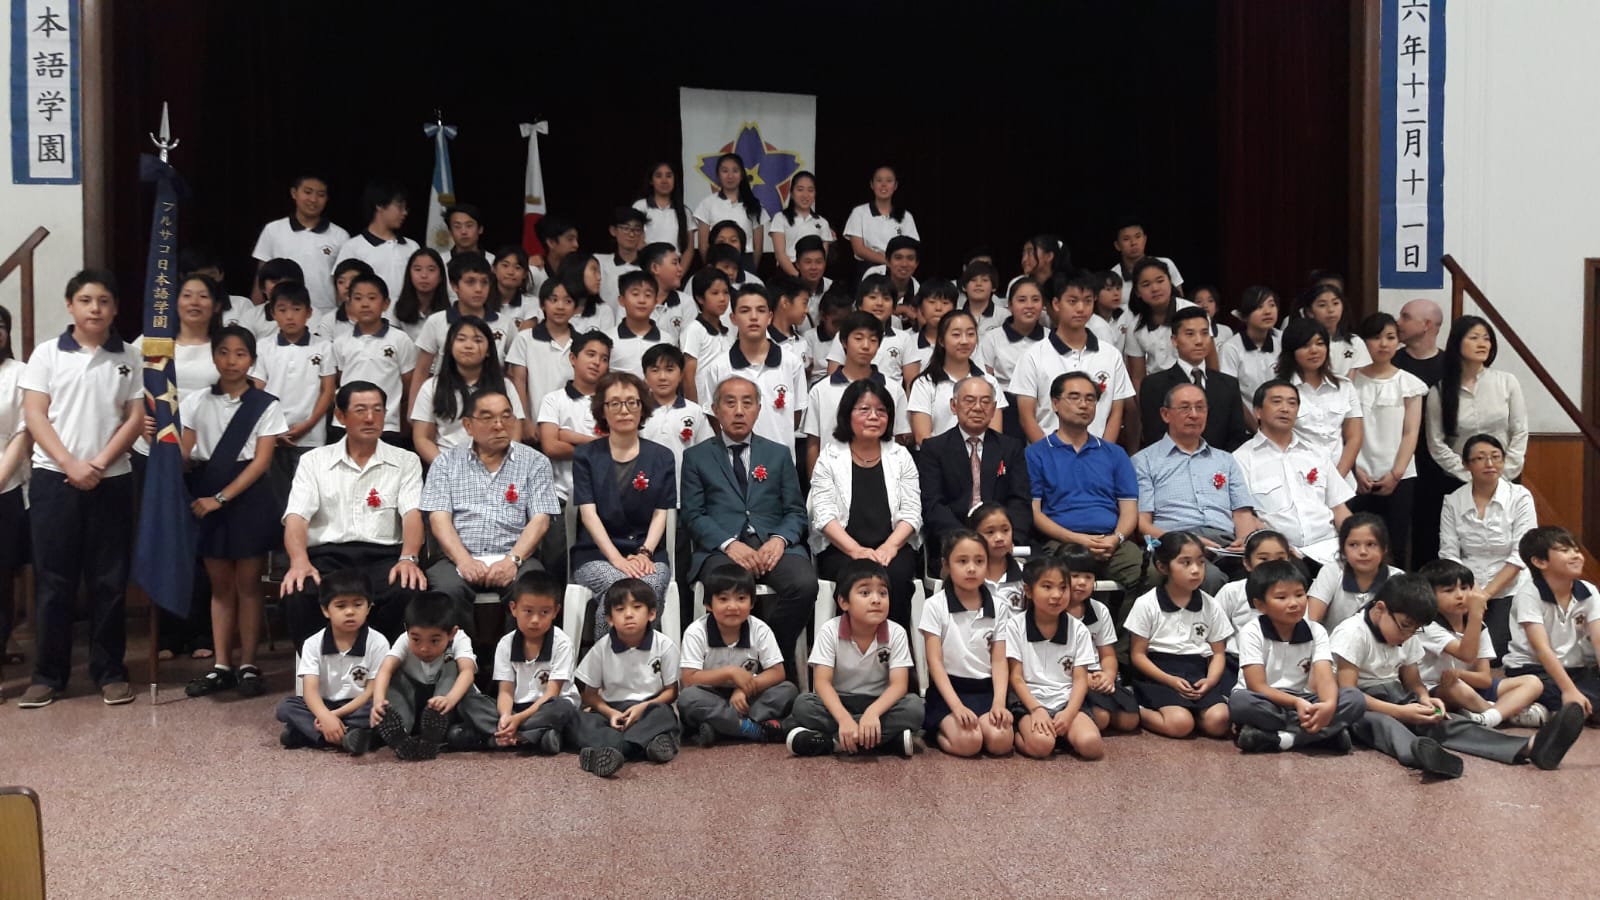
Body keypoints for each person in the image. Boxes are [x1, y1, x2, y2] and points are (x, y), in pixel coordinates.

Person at [14, 271, 142, 709]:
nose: (95, 308)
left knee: (109, 580)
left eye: (103, 301)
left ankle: (110, 672)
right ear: (70, 305)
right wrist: (70, 463)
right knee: (54, 581)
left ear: (115, 308)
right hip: (55, 478)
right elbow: (35, 415)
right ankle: (48, 676)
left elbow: (134, 417)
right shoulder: (47, 354)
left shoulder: (129, 356)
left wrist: (99, 463)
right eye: (85, 300)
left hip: (113, 478)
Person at [1332, 574, 1584, 778]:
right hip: (1359, 704)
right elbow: (1348, 692)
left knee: (1444, 720)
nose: (1407, 635)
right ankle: (1421, 755)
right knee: (1383, 723)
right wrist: (1400, 712)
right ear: (1380, 609)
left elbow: (1412, 680)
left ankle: (1530, 747)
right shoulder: (1353, 633)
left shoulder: (1408, 633)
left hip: (1395, 694)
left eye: (1414, 630)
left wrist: (1424, 698)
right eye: (1404, 626)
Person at [681, 374, 816, 676]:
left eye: (747, 403)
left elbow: (796, 511)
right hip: (721, 549)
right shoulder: (696, 457)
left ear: (758, 409)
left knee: (804, 584)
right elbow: (693, 515)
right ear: (715, 410)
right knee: (727, 586)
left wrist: (779, 540)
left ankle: (771, 661)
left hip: (773, 546)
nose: (739, 411)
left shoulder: (778, 454)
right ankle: (727, 672)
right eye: (730, 403)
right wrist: (729, 544)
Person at [178, 326, 288, 699]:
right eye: (223, 352)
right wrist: (158, 440)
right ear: (214, 357)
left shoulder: (266, 404)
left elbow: (261, 462)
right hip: (206, 491)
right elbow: (185, 455)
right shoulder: (195, 401)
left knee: (249, 584)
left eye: (240, 354)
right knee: (221, 586)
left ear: (252, 360)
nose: (231, 361)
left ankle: (248, 664)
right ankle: (222, 665)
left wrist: (221, 498)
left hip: (247, 498)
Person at [280, 381, 427, 646]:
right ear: (340, 416)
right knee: (299, 589)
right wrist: (299, 560)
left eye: (377, 410)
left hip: (383, 557)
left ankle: (386, 666)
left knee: (408, 588)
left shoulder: (406, 460)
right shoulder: (314, 460)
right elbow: (296, 517)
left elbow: (412, 515)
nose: (370, 418)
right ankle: (317, 666)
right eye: (360, 410)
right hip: (327, 557)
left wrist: (408, 557)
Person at [421, 390, 558, 612]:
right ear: (468, 425)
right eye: (488, 418)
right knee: (446, 590)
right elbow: (439, 520)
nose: (499, 425)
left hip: (516, 556)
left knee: (531, 591)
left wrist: (512, 560)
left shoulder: (535, 462)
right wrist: (464, 560)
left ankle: (516, 638)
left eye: (506, 416)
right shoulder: (445, 463)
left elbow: (540, 520)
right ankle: (457, 638)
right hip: (458, 557)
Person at [810, 380, 922, 630]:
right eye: (864, 410)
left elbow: (912, 512)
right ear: (847, 414)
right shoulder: (830, 456)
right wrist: (855, 550)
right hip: (842, 548)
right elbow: (824, 515)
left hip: (892, 547)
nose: (874, 416)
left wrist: (890, 547)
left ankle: (893, 646)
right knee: (856, 580)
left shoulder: (900, 455)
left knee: (895, 578)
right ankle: (849, 648)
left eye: (881, 411)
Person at [782, 559, 924, 757]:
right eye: (865, 593)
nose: (876, 600)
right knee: (803, 705)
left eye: (883, 593)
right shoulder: (830, 630)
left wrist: (872, 713)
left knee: (915, 708)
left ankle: (834, 743)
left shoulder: (896, 632)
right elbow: (822, 683)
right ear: (844, 602)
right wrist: (843, 719)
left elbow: (899, 685)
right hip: (840, 701)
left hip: (880, 703)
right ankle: (885, 741)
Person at [571, 372, 676, 635]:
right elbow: (588, 515)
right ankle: (607, 657)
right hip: (596, 554)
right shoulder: (586, 455)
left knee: (650, 586)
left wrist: (645, 553)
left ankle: (647, 657)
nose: (624, 410)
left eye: (632, 402)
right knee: (618, 587)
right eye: (615, 403)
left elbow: (661, 513)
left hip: (647, 554)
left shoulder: (662, 456)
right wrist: (617, 559)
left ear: (642, 408)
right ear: (602, 410)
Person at [1132, 381, 1260, 593]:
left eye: (1200, 408)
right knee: (1209, 577)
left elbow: (1242, 512)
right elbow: (1143, 524)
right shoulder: (1144, 461)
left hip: (1226, 544)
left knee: (1268, 572)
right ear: (1165, 414)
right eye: (1185, 408)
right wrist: (1187, 541)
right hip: (1177, 541)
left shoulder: (1225, 460)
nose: (1194, 414)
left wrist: (1243, 540)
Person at [1026, 372, 1148, 592]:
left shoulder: (1115, 453)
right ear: (1055, 403)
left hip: (1110, 542)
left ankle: (1116, 617)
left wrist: (1116, 538)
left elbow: (1129, 509)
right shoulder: (1036, 454)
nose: (1084, 405)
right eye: (1074, 397)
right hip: (1061, 541)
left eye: (1090, 399)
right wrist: (1076, 539)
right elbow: (1034, 512)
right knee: (1058, 579)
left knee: (1148, 574)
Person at [1228, 560, 1365, 754]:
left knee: (1355, 699)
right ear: (1260, 605)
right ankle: (1324, 734)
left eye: (1300, 595)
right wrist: (1295, 703)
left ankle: (1282, 739)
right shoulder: (1252, 631)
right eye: (1281, 597)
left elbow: (1325, 678)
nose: (1293, 603)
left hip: (1304, 698)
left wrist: (1328, 705)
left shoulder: (1316, 630)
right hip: (1266, 699)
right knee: (1240, 703)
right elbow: (1256, 685)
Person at [451, 571, 578, 754]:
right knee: (468, 702)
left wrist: (518, 720)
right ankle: (528, 736)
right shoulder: (506, 643)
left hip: (546, 706)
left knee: (563, 707)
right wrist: (505, 717)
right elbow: (506, 691)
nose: (535, 620)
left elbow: (552, 694)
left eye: (544, 612)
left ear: (555, 612)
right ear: (513, 608)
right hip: (516, 708)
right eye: (528, 611)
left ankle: (499, 737)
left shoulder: (562, 643)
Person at [1124, 532, 1235, 739]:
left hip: (1198, 673)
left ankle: (1194, 714)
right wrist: (1169, 680)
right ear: (1162, 567)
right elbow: (1138, 655)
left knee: (1220, 721)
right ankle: (1135, 706)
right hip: (1159, 675)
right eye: (1185, 563)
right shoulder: (1147, 603)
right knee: (1180, 725)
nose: (1196, 570)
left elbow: (1219, 653)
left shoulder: (1211, 605)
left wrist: (1210, 681)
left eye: (1200, 562)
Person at [1231, 380, 1354, 565]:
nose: (1285, 409)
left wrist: (1354, 542)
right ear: (1258, 411)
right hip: (1281, 556)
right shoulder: (1240, 459)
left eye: (1292, 403)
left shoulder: (1317, 453)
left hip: (1330, 550)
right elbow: (1245, 516)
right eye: (1277, 402)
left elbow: (1339, 509)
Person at [1414, 559, 1547, 729]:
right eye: (1449, 590)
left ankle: (1487, 716)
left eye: (1465, 588)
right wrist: (1476, 615)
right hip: (1438, 689)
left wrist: (1460, 673)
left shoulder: (1477, 625)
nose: (1460, 595)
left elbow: (1484, 680)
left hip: (1472, 686)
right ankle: (1503, 713)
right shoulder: (1427, 626)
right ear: (1430, 596)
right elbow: (1466, 654)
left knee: (1533, 682)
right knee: (1456, 687)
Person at [570, 579, 682, 778]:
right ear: (610, 619)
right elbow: (589, 695)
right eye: (620, 609)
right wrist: (610, 713)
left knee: (664, 715)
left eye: (637, 607)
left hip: (649, 707)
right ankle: (646, 745)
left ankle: (612, 750)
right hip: (612, 709)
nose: (629, 614)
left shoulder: (664, 646)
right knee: (577, 719)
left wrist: (643, 708)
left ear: (651, 614)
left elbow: (671, 691)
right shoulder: (601, 648)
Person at [677, 564, 799, 746]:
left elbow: (777, 672)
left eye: (741, 598)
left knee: (788, 690)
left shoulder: (760, 629)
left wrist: (743, 689)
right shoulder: (696, 632)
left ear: (752, 603)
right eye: (723, 599)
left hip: (748, 696)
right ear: (708, 604)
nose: (733, 606)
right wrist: (730, 672)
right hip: (710, 694)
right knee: (688, 698)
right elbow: (689, 679)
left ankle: (722, 728)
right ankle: (753, 729)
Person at [1439, 433, 1534, 664]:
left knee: (1493, 653)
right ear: (1466, 464)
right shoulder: (1453, 501)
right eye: (1480, 458)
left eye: (1496, 457)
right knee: (1459, 651)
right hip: (1466, 586)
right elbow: (1449, 553)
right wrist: (1473, 591)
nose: (1490, 464)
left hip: (1510, 586)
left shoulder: (1519, 497)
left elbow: (1521, 554)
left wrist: (1486, 594)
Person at [920, 530, 1014, 757]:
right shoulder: (935, 605)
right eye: (962, 561)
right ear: (946, 565)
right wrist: (957, 707)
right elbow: (935, 662)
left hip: (986, 690)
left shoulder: (999, 606)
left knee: (1000, 742)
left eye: (979, 561)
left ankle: (982, 726)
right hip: (949, 691)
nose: (971, 568)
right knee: (969, 743)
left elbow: (999, 660)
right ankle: (936, 733)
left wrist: (999, 703)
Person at [274, 570, 389, 754]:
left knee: (383, 708)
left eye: (358, 604)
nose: (350, 612)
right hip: (324, 704)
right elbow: (310, 691)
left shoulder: (378, 642)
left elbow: (371, 692)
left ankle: (309, 735)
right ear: (325, 610)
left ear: (368, 608)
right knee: (286, 707)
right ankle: (348, 737)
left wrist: (333, 716)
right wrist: (324, 715)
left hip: (359, 705)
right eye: (341, 606)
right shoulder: (313, 643)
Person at [916, 376, 1032, 557]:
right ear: (954, 406)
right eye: (969, 401)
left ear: (993, 409)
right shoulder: (934, 449)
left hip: (1002, 541)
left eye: (985, 402)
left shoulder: (1011, 447)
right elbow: (933, 504)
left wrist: (1010, 538)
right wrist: (964, 541)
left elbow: (1019, 500)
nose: (978, 408)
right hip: (952, 540)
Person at [1011, 272, 1133, 444]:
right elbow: (1026, 418)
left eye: (1087, 301)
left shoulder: (1111, 355)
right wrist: (1050, 454)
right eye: (1073, 301)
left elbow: (1116, 413)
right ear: (1056, 304)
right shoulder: (1032, 356)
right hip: (1047, 454)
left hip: (1097, 453)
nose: (1081, 308)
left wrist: (1102, 453)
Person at [1003, 554, 1104, 760]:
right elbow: (1016, 677)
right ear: (1028, 591)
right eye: (1047, 587)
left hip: (1065, 701)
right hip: (1029, 702)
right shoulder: (1015, 626)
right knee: (1042, 746)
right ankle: (1019, 734)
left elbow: (1080, 680)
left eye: (1063, 588)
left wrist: (1069, 713)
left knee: (1091, 746)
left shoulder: (1078, 629)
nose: (1057, 595)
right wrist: (1036, 709)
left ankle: (1061, 732)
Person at [1347, 312, 1428, 567]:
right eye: (1376, 337)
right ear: (1363, 342)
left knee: (1395, 544)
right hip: (1355, 474)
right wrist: (1353, 469)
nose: (1384, 344)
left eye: (1391, 337)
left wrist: (1396, 474)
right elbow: (1341, 430)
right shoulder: (1349, 382)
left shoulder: (1409, 383)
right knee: (1354, 541)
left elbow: (1410, 432)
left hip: (1399, 476)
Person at [1500, 526, 1600, 723]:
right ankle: (1533, 706)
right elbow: (1542, 649)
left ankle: (1544, 712)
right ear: (1540, 562)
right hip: (1533, 670)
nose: (1576, 556)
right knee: (1561, 694)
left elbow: (1598, 640)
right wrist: (1569, 690)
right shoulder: (1529, 594)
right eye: (1565, 550)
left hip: (1576, 669)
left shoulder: (1588, 591)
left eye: (1576, 550)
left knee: (1587, 697)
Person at [696, 286, 810, 457]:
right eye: (745, 311)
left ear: (770, 317)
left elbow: (796, 415)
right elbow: (714, 417)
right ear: (733, 318)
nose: (754, 317)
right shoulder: (718, 367)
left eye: (761, 310)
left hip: (780, 462)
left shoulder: (791, 363)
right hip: (734, 462)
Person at [370, 591, 481, 761]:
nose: (424, 648)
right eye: (416, 640)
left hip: (448, 701)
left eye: (434, 641)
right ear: (407, 630)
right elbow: (385, 669)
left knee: (453, 668)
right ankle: (402, 734)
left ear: (452, 633)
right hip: (416, 698)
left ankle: (435, 730)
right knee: (394, 677)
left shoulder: (460, 639)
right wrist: (378, 701)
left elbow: (467, 672)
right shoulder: (404, 639)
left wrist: (449, 699)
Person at [254, 282, 336, 506]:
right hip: (271, 435)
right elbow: (257, 390)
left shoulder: (323, 347)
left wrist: (307, 425)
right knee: (274, 498)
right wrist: (273, 429)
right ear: (273, 313)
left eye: (297, 309)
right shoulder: (263, 347)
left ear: (309, 312)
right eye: (282, 310)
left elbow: (328, 391)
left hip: (311, 435)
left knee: (308, 497)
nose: (289, 316)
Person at [1424, 315, 1529, 489]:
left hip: (1504, 478)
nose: (1482, 344)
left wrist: (1505, 472)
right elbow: (1436, 442)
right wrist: (1467, 474)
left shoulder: (1507, 382)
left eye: (1486, 339)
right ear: (1457, 343)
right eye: (1474, 338)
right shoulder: (1440, 391)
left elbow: (1519, 431)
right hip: (1459, 480)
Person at [802, 311, 910, 477]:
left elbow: (900, 441)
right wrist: (815, 484)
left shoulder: (893, 389)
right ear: (844, 342)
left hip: (881, 476)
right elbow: (813, 443)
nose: (866, 346)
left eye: (873, 340)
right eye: (858, 338)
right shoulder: (821, 390)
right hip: (832, 478)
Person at [410, 315, 524, 465]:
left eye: (477, 340)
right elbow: (422, 438)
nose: (468, 346)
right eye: (461, 339)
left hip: (496, 464)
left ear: (489, 350)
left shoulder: (505, 386)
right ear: (450, 347)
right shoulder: (432, 387)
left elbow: (515, 432)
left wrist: (498, 465)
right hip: (447, 463)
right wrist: (446, 468)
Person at [1055, 546, 1140, 734]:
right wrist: (1083, 678)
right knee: (1100, 718)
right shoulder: (1051, 611)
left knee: (1129, 720)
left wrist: (1108, 675)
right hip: (1065, 676)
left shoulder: (1099, 610)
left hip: (1095, 674)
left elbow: (1107, 654)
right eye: (1075, 576)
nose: (1082, 582)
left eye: (1088, 577)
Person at [1136, 307, 1247, 452]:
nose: (1199, 341)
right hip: (1172, 463)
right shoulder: (1154, 385)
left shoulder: (1228, 384)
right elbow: (1154, 437)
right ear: (1174, 340)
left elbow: (1237, 437)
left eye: (1205, 333)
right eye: (1190, 334)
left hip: (1221, 463)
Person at [411, 252, 516, 398]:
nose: (479, 289)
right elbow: (422, 370)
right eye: (470, 282)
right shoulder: (437, 321)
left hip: (491, 401)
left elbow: (514, 371)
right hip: (446, 399)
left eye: (484, 282)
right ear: (454, 285)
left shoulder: (505, 323)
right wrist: (413, 407)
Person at [330, 274, 417, 439]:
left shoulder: (400, 339)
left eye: (372, 298)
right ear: (349, 303)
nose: (365, 304)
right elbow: (340, 379)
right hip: (345, 424)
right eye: (358, 298)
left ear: (386, 303)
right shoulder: (341, 341)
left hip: (386, 424)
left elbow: (408, 384)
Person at [1278, 318, 1363, 483]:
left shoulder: (1344, 387)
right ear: (1291, 350)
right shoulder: (1279, 390)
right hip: (1297, 480)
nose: (1314, 350)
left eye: (1320, 343)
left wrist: (1337, 479)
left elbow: (1355, 437)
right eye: (1305, 345)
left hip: (1341, 480)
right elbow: (1275, 440)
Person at [251, 174, 350, 311]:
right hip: (283, 312)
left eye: (321, 194)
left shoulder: (340, 235)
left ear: (327, 198)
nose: (313, 199)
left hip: (325, 312)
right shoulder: (273, 230)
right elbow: (262, 274)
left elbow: (345, 280)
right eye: (308, 192)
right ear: (294, 193)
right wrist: (256, 310)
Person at [907, 310, 1008, 444]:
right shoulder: (925, 383)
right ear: (941, 340)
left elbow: (995, 435)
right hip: (938, 456)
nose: (964, 341)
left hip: (981, 455)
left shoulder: (989, 382)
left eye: (970, 334)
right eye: (956, 335)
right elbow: (923, 438)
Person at [535, 331, 610, 503]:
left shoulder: (612, 401)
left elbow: (617, 447)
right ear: (573, 358)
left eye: (604, 358)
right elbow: (551, 447)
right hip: (560, 495)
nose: (597, 362)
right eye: (590, 354)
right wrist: (597, 444)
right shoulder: (553, 399)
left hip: (603, 496)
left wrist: (570, 436)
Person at [1306, 513, 1406, 628]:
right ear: (1343, 549)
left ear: (1384, 548)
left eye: (1371, 544)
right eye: (1353, 545)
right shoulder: (1332, 572)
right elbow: (1311, 622)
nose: (1363, 551)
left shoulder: (1398, 579)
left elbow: (1404, 627)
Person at [0, 304, 29, 688]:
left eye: (1, 325)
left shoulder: (20, 373)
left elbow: (25, 429)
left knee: (3, 578)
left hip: (5, 485)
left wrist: (1, 477)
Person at [978, 277, 1046, 439]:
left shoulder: (1051, 338)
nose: (1029, 305)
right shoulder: (992, 338)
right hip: (1006, 408)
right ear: (1010, 305)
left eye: (1035, 300)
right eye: (1022, 300)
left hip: (1044, 406)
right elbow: (986, 381)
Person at [505, 277, 577, 422]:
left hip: (573, 424)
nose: (560, 306)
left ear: (575, 308)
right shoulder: (525, 339)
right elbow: (519, 382)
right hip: (536, 422)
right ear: (542, 304)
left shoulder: (582, 342)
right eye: (554, 300)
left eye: (568, 301)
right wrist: (525, 421)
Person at [334, 180, 416, 301]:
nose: (404, 212)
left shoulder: (412, 247)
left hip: (406, 312)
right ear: (380, 205)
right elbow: (342, 291)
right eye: (400, 206)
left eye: (406, 207)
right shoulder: (353, 247)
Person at [1216, 285, 1283, 432]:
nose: (1267, 311)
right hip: (1247, 428)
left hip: (1283, 424)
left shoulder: (1283, 341)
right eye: (1259, 307)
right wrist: (1258, 431)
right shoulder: (1231, 348)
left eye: (1271, 305)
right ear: (1244, 316)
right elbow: (1232, 395)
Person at [694, 153, 768, 272]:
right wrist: (710, 268)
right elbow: (703, 246)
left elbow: (758, 247)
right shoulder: (707, 204)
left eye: (735, 171)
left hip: (745, 262)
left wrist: (751, 269)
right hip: (716, 262)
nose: (730, 176)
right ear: (718, 175)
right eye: (725, 171)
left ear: (742, 175)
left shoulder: (754, 205)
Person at [843, 165, 919, 276]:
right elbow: (859, 249)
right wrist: (888, 261)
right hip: (868, 272)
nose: (884, 185)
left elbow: (912, 248)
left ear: (895, 185)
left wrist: (897, 263)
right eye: (879, 180)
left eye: (889, 181)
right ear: (872, 184)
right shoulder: (859, 212)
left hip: (899, 272)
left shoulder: (906, 216)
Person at [678, 267, 734, 403]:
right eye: (715, 293)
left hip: (725, 404)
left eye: (726, 292)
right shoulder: (694, 330)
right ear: (700, 298)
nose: (722, 298)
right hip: (703, 405)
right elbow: (688, 377)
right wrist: (694, 410)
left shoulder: (728, 332)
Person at [1297, 283, 1370, 377]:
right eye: (1322, 305)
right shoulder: (1299, 343)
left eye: (1335, 303)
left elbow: (1356, 380)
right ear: (1309, 312)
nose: (1331, 310)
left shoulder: (1355, 342)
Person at [769, 170, 833, 274]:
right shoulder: (780, 218)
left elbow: (822, 257)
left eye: (810, 190)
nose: (805, 195)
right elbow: (780, 254)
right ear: (791, 193)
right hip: (787, 272)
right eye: (800, 190)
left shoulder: (822, 222)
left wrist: (811, 276)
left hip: (813, 272)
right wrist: (797, 276)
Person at [1112, 216, 1184, 302]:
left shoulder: (1166, 263)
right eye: (1126, 239)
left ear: (1145, 239)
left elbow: (1180, 300)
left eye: (1138, 236)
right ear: (1117, 245)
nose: (1133, 242)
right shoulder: (1113, 276)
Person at [634, 161, 693, 259]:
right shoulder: (640, 206)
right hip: (646, 263)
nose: (664, 181)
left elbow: (689, 250)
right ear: (651, 181)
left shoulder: (684, 211)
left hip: (675, 265)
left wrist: (678, 268)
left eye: (669, 176)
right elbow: (636, 241)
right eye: (658, 176)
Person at [391, 248, 446, 341]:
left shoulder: (452, 309)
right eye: (418, 269)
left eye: (431, 270)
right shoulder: (394, 307)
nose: (424, 275)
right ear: (409, 274)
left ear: (441, 276)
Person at [597, 206, 646, 309]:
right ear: (613, 231)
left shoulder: (648, 267)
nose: (631, 234)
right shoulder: (598, 263)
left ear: (642, 233)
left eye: (637, 230)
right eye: (626, 228)